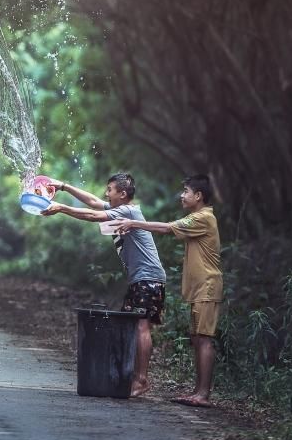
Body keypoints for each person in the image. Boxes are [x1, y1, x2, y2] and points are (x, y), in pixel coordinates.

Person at [41, 173, 167, 398]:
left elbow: (93, 214)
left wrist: (61, 208)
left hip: (147, 278)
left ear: (123, 194)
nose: (106, 193)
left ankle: (141, 380)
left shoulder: (127, 211)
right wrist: (63, 186)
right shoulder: (120, 208)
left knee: (141, 326)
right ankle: (136, 378)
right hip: (141, 278)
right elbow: (92, 203)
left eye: (110, 189)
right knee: (136, 326)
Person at [109, 174, 222, 409]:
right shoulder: (198, 217)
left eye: (186, 192)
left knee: (204, 340)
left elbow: (167, 229)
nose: (182, 196)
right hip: (199, 288)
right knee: (197, 338)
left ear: (198, 196)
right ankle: (198, 392)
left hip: (207, 286)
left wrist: (135, 223)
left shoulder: (203, 218)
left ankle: (202, 394)